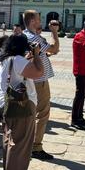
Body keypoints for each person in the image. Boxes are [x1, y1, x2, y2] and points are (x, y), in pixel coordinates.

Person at [0, 34, 44, 170]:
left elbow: (20, 73)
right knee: (21, 142)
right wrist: (36, 55)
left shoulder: (3, 60)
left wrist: (29, 58)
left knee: (9, 139)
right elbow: (39, 72)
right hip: (22, 104)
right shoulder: (18, 60)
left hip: (7, 103)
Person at [22, 10, 59, 161]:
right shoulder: (34, 38)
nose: (41, 20)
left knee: (29, 114)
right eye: (38, 18)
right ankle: (36, 147)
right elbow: (54, 49)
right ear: (32, 21)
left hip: (29, 79)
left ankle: (26, 143)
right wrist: (55, 32)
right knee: (42, 114)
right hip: (39, 81)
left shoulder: (24, 36)